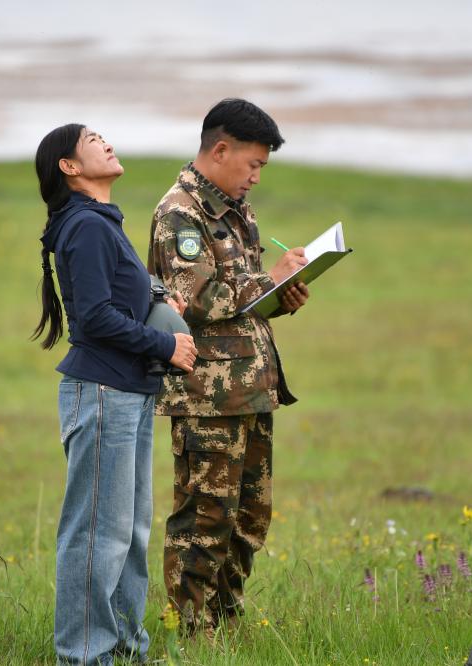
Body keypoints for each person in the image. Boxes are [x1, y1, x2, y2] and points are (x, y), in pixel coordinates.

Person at [33, 123, 198, 665]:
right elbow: (95, 318)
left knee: (128, 532)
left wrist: (156, 302)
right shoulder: (86, 225)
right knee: (96, 535)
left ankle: (126, 650)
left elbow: (112, 301)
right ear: (70, 167)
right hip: (103, 392)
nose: (106, 142)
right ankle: (85, 655)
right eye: (92, 140)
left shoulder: (100, 221)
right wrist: (165, 344)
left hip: (127, 391)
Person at [147, 98, 310, 636]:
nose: (256, 177)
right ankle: (192, 633)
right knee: (205, 517)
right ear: (220, 150)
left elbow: (239, 305)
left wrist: (280, 296)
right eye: (253, 164)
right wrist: (269, 280)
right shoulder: (180, 212)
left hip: (251, 388)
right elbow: (195, 298)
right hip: (207, 396)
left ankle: (226, 620)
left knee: (249, 517)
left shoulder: (237, 210)